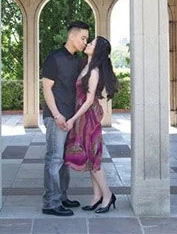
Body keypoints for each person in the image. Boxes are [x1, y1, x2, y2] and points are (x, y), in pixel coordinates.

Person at [40, 20, 90, 216]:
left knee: (64, 160)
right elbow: (46, 88)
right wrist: (57, 115)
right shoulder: (54, 58)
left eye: (86, 39)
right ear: (71, 36)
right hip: (56, 117)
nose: (85, 42)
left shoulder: (77, 60)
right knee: (54, 159)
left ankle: (61, 196)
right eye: (82, 38)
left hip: (70, 118)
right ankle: (50, 203)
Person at [64, 35, 118, 213]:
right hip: (83, 117)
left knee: (93, 159)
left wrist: (73, 119)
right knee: (90, 159)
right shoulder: (85, 66)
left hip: (89, 119)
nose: (88, 44)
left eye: (92, 43)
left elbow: (88, 101)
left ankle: (107, 196)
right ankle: (96, 196)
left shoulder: (94, 71)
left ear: (98, 51)